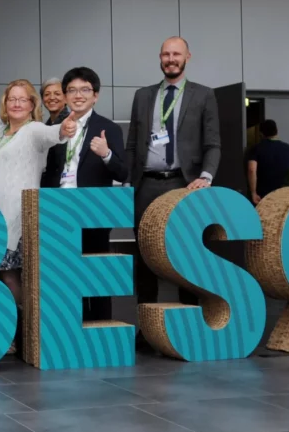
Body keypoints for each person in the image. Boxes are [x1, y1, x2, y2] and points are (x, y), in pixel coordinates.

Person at [126, 36, 220, 308]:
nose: (171, 59)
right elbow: (132, 143)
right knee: (145, 254)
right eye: (166, 54)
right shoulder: (142, 95)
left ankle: (189, 319)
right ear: (160, 58)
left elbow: (213, 143)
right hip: (146, 186)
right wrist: (130, 182)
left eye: (176, 54)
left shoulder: (203, 94)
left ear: (187, 57)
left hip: (184, 184)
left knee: (186, 251)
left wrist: (206, 176)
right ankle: (147, 322)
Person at [0, 79, 75, 351]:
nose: (16, 103)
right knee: (2, 275)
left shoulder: (33, 130)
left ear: (31, 105)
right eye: (11, 98)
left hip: (18, 217)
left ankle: (27, 335)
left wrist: (65, 126)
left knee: (13, 275)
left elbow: (55, 134)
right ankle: (11, 334)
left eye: (22, 99)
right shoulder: (1, 134)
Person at [45, 67, 127, 321]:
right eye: (72, 90)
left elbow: (124, 172)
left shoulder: (108, 128)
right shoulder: (54, 127)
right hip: (59, 210)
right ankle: (72, 328)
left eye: (84, 90)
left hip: (93, 211)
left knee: (97, 274)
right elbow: (47, 171)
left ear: (95, 95)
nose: (78, 95)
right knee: (65, 274)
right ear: (65, 95)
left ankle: (99, 329)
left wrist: (106, 154)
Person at [247, 119, 289, 204]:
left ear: (261, 133)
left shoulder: (256, 149)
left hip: (263, 194)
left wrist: (253, 192)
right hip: (285, 194)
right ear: (276, 131)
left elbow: (251, 169)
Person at [39, 77, 71, 189]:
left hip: (65, 189)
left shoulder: (72, 124)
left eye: (57, 93)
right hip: (47, 189)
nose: (52, 97)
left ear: (66, 98)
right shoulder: (44, 126)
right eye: (47, 94)